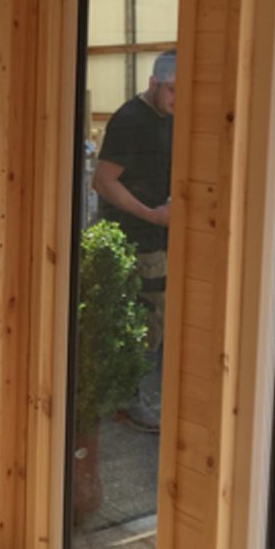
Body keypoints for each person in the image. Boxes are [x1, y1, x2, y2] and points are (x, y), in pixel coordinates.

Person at [92, 50, 175, 431]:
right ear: (153, 82)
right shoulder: (130, 120)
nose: (179, 99)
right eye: (172, 90)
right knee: (146, 318)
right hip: (136, 236)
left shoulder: (173, 116)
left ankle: (131, 394)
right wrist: (151, 215)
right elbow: (103, 181)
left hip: (162, 233)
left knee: (157, 316)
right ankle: (129, 401)